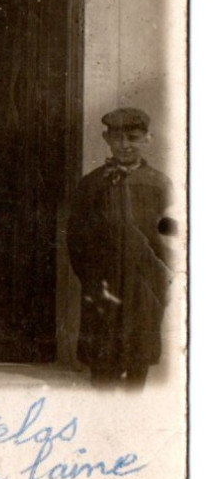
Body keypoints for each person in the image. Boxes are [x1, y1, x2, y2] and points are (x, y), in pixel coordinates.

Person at [67, 107, 174, 388]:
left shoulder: (159, 184)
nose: (125, 145)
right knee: (103, 359)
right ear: (106, 139)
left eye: (133, 137)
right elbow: (77, 239)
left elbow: (173, 235)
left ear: (147, 139)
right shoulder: (92, 185)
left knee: (139, 356)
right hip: (104, 283)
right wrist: (92, 278)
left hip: (144, 285)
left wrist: (162, 278)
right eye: (117, 138)